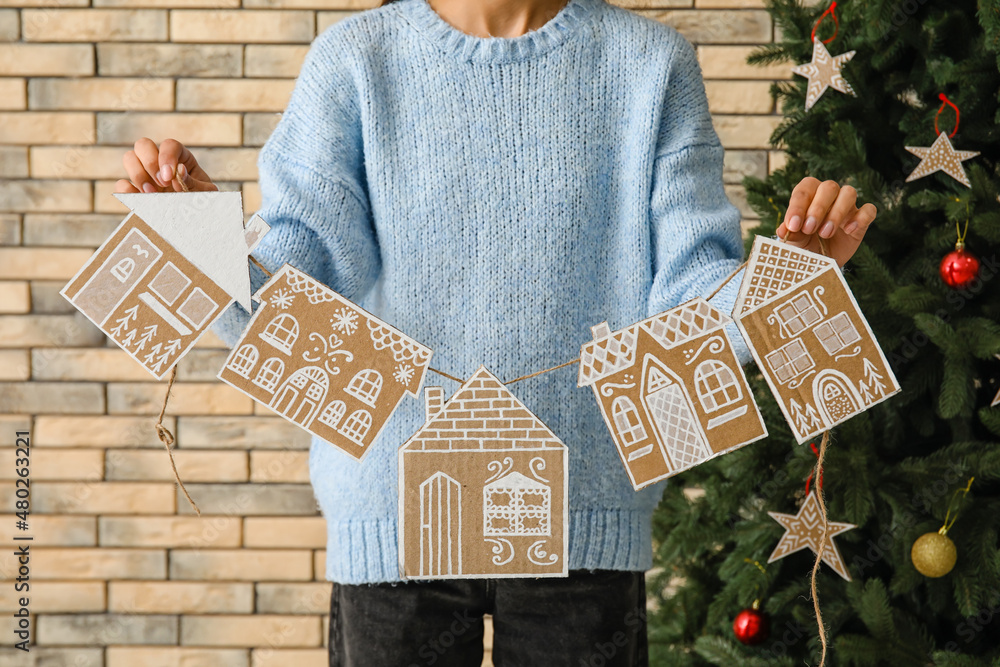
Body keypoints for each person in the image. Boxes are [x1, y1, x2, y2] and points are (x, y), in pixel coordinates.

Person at [114, 0, 877, 663]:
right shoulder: (354, 60)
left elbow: (689, 293)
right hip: (394, 518)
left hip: (585, 518)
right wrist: (200, 233)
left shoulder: (650, 64)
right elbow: (288, 288)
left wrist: (790, 278)